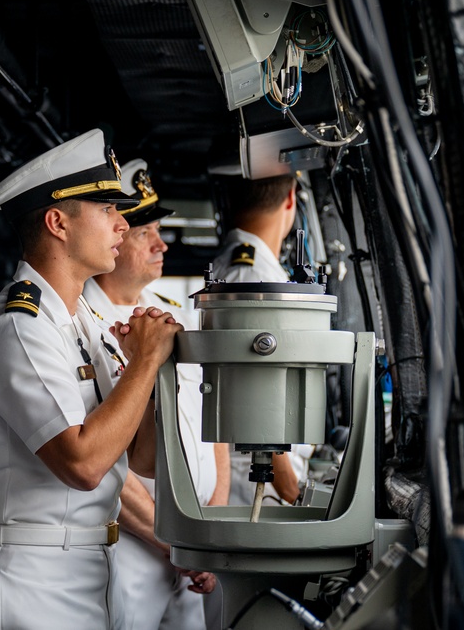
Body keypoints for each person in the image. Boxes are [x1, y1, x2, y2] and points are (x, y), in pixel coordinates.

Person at [0, 128, 185, 630]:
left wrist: (149, 369)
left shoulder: (83, 322)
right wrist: (143, 363)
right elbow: (82, 465)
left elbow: (136, 460)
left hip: (90, 568)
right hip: (31, 578)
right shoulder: (19, 328)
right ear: (58, 222)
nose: (122, 224)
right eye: (107, 210)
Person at [82, 159, 230, 630]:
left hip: (193, 547)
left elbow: (216, 426)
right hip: (132, 547)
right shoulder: (83, 326)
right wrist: (179, 543)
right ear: (115, 233)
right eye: (145, 231)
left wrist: (211, 532)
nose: (161, 244)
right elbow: (104, 461)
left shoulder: (173, 320)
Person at [211, 174, 313, 507]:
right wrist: (286, 482)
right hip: (258, 476)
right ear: (290, 197)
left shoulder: (253, 265)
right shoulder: (251, 275)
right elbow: (250, 380)